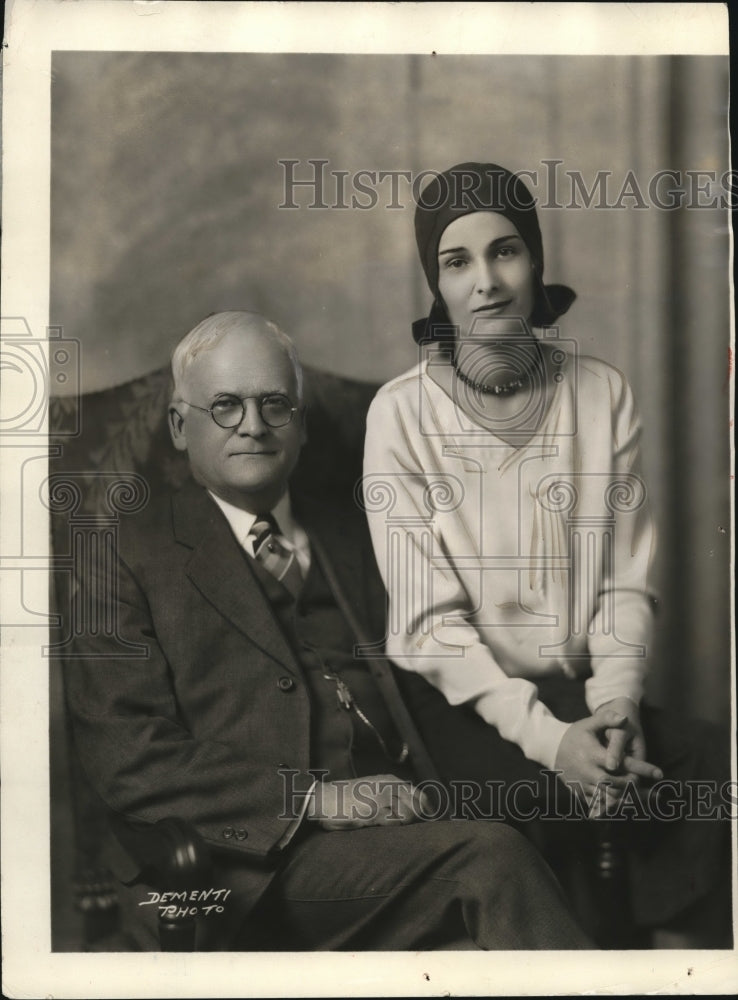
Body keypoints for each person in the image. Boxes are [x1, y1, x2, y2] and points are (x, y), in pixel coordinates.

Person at [65, 310, 593, 951]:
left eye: (274, 405)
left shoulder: (364, 534)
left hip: (416, 817)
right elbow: (131, 760)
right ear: (181, 425)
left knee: (627, 785)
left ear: (302, 423)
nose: (253, 426)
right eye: (225, 406)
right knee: (490, 859)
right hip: (246, 867)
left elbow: (448, 663)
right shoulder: (115, 554)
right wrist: (316, 800)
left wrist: (565, 735)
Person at [362, 163, 731, 944]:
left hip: (579, 693)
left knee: (704, 763)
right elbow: (430, 627)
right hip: (461, 703)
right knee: (552, 799)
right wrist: (552, 741)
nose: (487, 282)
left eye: (506, 252)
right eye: (457, 262)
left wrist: (616, 707)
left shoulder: (601, 393)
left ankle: (676, 966)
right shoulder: (398, 415)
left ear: (536, 260)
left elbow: (622, 583)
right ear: (437, 283)